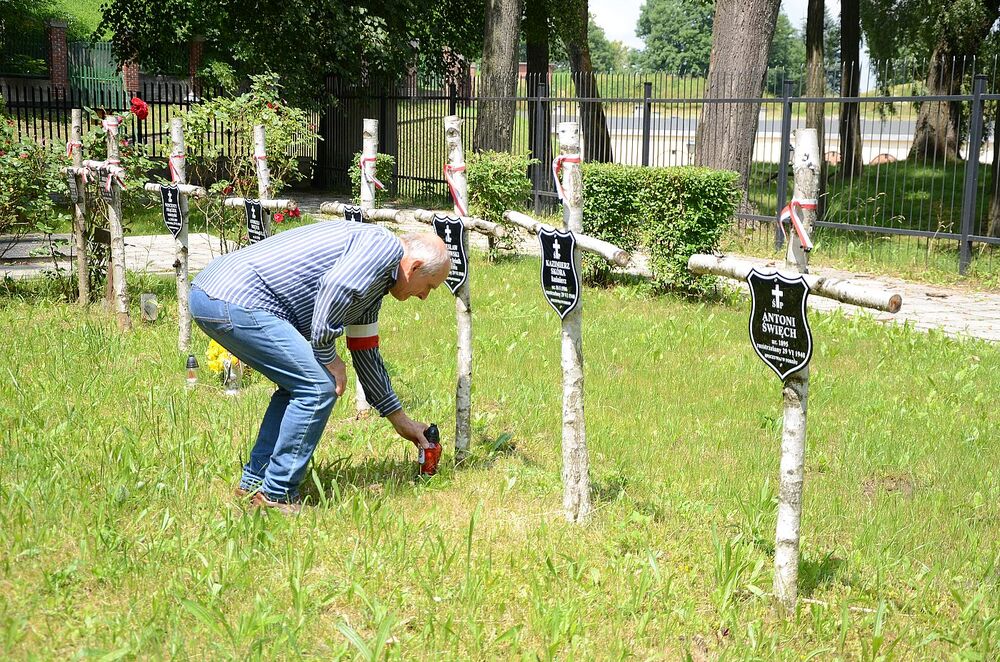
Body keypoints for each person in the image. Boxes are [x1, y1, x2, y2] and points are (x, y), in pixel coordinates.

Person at [189, 219, 451, 513]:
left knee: (297, 387)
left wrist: (400, 420)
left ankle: (254, 483)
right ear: (414, 267)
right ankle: (277, 496)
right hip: (234, 297)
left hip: (214, 293)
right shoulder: (383, 247)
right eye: (429, 286)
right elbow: (334, 286)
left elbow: (366, 355)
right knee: (317, 386)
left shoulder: (374, 285)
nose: (425, 296)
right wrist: (327, 355)